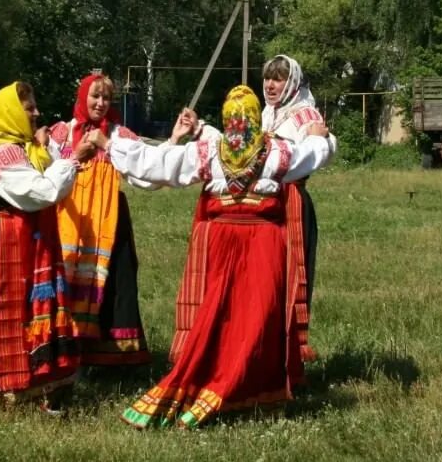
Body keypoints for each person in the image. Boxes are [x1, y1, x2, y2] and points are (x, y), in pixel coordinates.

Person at [94, 86, 332, 429]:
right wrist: (320, 139)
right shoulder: (277, 151)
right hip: (263, 241)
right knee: (259, 314)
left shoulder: (208, 153)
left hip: (223, 240)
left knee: (222, 310)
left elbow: (159, 164)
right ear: (255, 118)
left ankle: (230, 380)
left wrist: (111, 145)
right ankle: (241, 384)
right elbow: (312, 153)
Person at [0, 82, 96, 409]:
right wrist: (72, 160)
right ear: (9, 113)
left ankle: (35, 385)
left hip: (21, 238)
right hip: (1, 243)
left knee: (24, 312)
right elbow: (41, 192)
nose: (37, 112)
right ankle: (1, 389)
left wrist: (62, 158)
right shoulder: (0, 155)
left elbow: (45, 175)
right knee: (0, 313)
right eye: (29, 108)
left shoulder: (22, 149)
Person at [48, 73, 151, 366]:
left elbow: (146, 165)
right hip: (68, 220)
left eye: (106, 98)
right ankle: (65, 352)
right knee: (65, 281)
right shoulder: (62, 133)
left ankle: (103, 358)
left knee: (109, 282)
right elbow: (46, 172)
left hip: (107, 220)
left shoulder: (118, 136)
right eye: (95, 96)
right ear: (83, 97)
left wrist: (175, 139)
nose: (101, 103)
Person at [260, 55, 335, 308]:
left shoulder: (306, 115)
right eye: (268, 78)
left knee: (289, 271)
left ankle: (290, 339)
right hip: (263, 199)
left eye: (278, 79)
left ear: (292, 83)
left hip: (290, 202)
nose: (270, 85)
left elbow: (326, 146)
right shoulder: (268, 112)